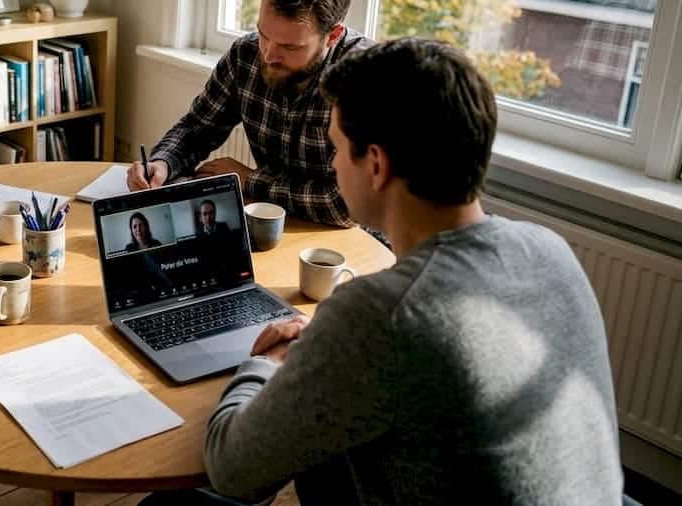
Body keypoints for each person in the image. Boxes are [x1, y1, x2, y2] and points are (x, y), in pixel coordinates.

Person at [162, 38, 620, 505]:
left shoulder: (379, 313)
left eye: (337, 148)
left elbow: (232, 471)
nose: (335, 163)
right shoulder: (550, 250)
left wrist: (266, 362)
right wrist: (331, 342)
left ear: (376, 165)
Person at [127, 0, 371, 227]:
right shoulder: (245, 54)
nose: (268, 55)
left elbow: (347, 207)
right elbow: (197, 129)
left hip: (348, 243)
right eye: (264, 35)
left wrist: (250, 180)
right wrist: (162, 164)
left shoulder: (364, 80)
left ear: (334, 35)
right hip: (269, 221)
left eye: (290, 47)